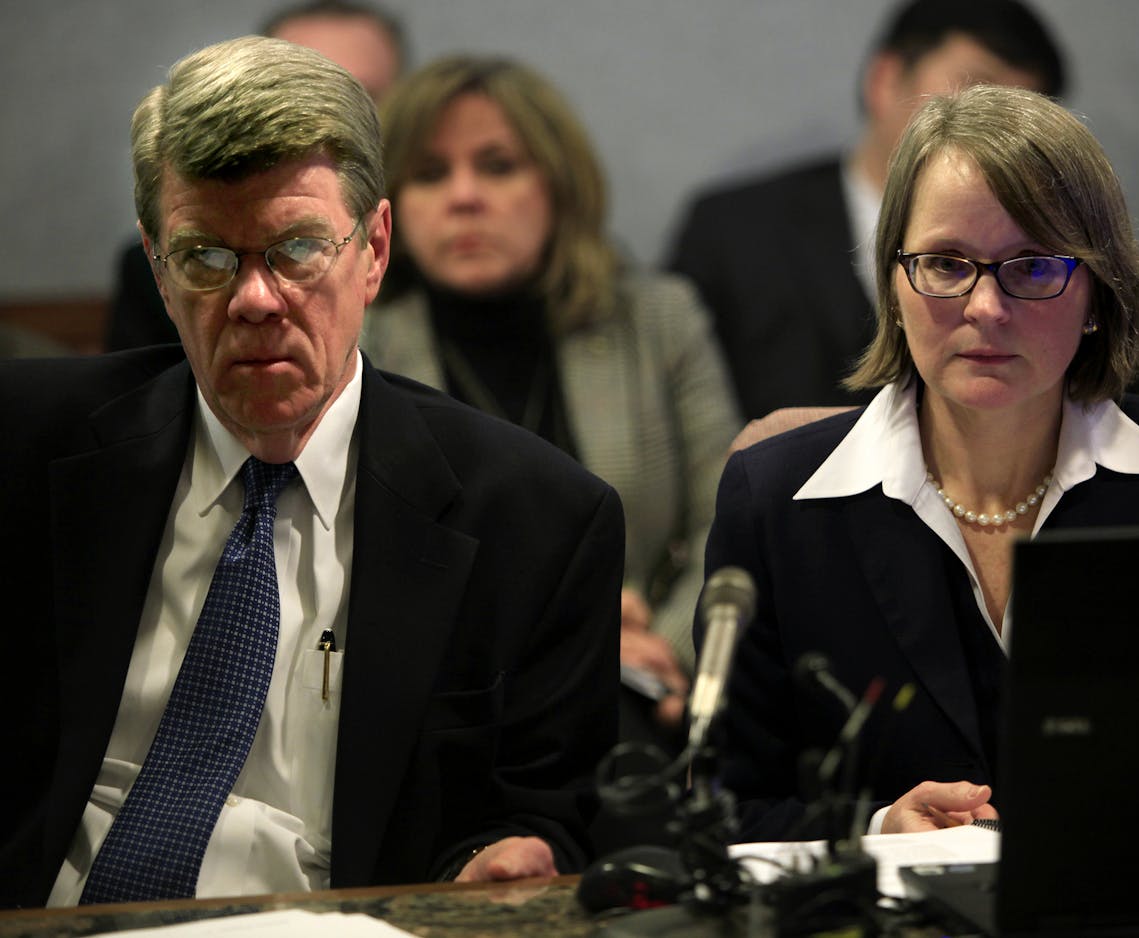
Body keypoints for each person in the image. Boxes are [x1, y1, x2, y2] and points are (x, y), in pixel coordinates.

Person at [0, 36, 622, 908]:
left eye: (295, 249)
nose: (254, 298)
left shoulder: (538, 520)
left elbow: (546, 812)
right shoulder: (24, 450)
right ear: (156, 263)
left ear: (373, 249)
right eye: (206, 258)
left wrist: (498, 859)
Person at [699, 85, 1139, 844]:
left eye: (1034, 266)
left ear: (1097, 294)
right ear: (893, 282)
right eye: (947, 263)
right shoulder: (774, 500)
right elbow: (723, 810)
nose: (986, 307)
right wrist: (877, 829)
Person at [359, 56, 742, 758]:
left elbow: (730, 522)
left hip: (641, 692)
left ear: (559, 186)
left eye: (498, 166)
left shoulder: (658, 321)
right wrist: (579, 640)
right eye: (431, 173)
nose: (465, 197)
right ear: (389, 208)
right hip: (440, 706)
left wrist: (664, 647)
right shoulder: (360, 339)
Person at [667, 0, 1066, 420]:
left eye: (1019, 111)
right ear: (885, 79)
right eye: (975, 90)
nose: (993, 131)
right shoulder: (734, 231)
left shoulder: (1053, 250)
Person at [105, 0, 408, 352]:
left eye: (361, 96)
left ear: (376, 248)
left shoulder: (433, 263)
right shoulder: (161, 266)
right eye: (296, 93)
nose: (328, 116)